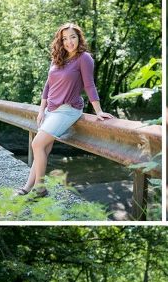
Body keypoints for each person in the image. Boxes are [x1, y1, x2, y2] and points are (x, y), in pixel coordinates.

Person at [17, 22, 113, 197]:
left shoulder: (84, 58)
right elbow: (48, 85)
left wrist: (98, 111)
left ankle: (40, 188)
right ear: (60, 41)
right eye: (65, 38)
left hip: (68, 110)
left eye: (73, 37)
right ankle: (27, 187)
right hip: (50, 110)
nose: (69, 42)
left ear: (79, 38)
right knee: (43, 149)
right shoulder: (58, 58)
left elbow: (89, 85)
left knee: (37, 144)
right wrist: (41, 110)